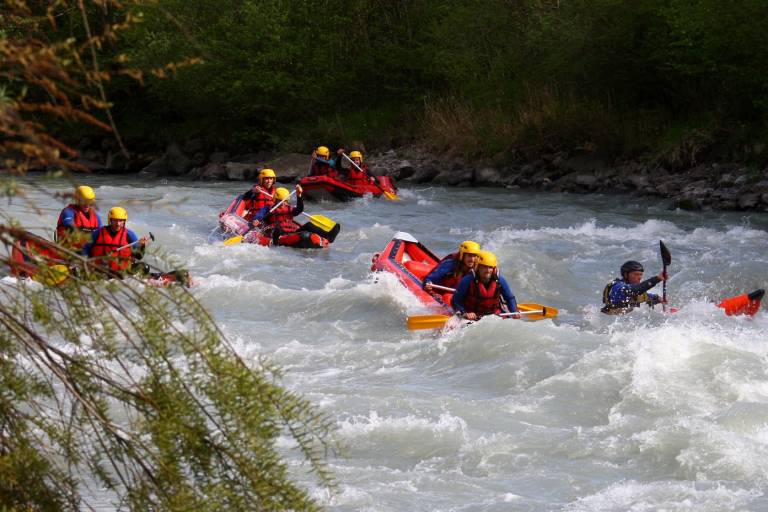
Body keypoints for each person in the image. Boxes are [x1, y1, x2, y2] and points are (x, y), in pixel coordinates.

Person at [452, 251, 519, 320]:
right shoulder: (467, 280)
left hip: (494, 314)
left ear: (494, 269)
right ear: (478, 267)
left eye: (490, 267)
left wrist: (514, 311)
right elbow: (456, 301)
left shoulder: (500, 280)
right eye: (484, 267)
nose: (488, 270)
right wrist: (464, 313)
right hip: (473, 315)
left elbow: (509, 298)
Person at [84, 207, 149, 274]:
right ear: (110, 220)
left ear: (124, 221)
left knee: (145, 267)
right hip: (100, 271)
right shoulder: (98, 233)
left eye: (120, 221)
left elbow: (138, 256)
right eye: (115, 220)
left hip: (121, 272)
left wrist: (142, 246)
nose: (118, 224)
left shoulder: (130, 235)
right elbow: (85, 249)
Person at [601, 260, 668, 314]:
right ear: (625, 274)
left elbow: (643, 296)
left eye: (640, 275)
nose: (639, 277)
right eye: (636, 274)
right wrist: (657, 279)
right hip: (608, 321)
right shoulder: (618, 287)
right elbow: (634, 291)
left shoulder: (633, 290)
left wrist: (658, 299)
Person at [55, 185, 101, 250]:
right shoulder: (68, 211)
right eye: (83, 201)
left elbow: (102, 232)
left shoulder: (96, 216)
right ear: (77, 200)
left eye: (89, 201)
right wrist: (90, 232)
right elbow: (68, 225)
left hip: (87, 250)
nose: (87, 204)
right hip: (68, 249)